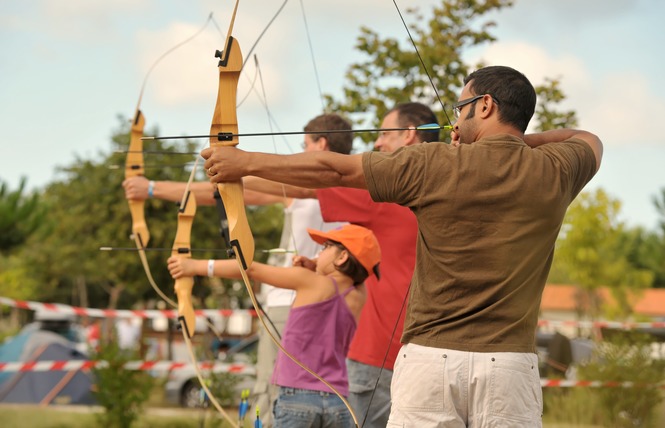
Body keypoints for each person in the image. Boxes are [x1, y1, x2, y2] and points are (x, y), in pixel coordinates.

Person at [201, 65, 603, 427]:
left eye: (461, 105)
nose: (456, 118)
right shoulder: (559, 169)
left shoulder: (434, 162)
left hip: (430, 360)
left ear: (484, 105)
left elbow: (333, 169)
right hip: (510, 365)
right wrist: (514, 140)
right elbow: (586, 138)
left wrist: (244, 162)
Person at [123, 113, 353, 427]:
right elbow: (230, 190)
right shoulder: (354, 186)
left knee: (274, 390)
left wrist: (152, 189)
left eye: (305, 144)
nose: (300, 150)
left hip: (291, 306)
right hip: (334, 309)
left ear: (320, 144)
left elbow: (229, 191)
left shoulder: (308, 188)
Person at [242, 102, 439, 427]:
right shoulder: (453, 188)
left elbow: (308, 185)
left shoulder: (389, 192)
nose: (377, 143)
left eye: (385, 134)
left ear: (409, 135)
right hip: (430, 358)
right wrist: (322, 265)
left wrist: (240, 169)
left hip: (378, 357)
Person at [167, 224, 381, 428]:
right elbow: (351, 278)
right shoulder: (359, 296)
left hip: (298, 397)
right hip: (339, 402)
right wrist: (316, 265)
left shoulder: (309, 280)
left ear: (342, 257)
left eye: (326, 247)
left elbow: (250, 270)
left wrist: (194, 266)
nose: (319, 253)